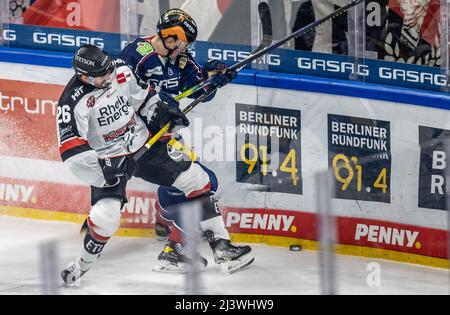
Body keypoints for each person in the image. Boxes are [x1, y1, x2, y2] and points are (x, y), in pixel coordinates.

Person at [119, 8, 254, 273]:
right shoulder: (136, 56)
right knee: (198, 183)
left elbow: (200, 86)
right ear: (170, 37)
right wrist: (155, 105)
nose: (186, 47)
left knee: (200, 182)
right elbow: (118, 97)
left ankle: (176, 225)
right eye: (183, 42)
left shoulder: (179, 60)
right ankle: (179, 249)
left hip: (164, 140)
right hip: (138, 141)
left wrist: (215, 79)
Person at [57, 44, 192, 284]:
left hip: (141, 142)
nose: (109, 76)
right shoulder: (71, 101)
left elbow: (144, 97)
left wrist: (161, 112)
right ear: (84, 76)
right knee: (107, 218)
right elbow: (71, 150)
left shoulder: (118, 70)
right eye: (102, 74)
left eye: (109, 69)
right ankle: (80, 265)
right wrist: (107, 166)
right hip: (108, 158)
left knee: (192, 177)